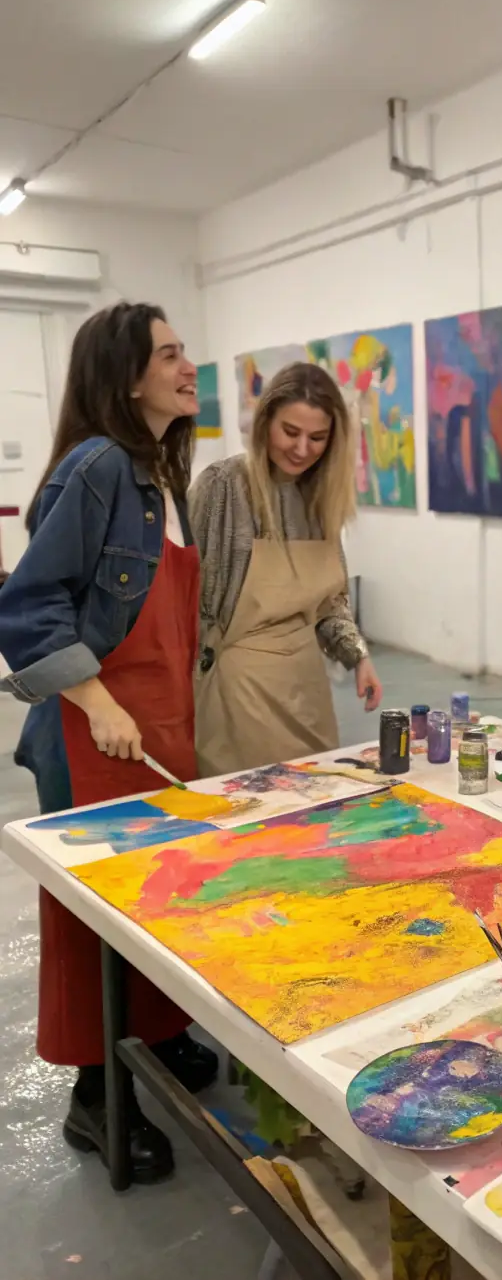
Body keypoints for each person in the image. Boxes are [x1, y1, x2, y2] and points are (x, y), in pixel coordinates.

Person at [0, 302, 218, 1183]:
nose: (186, 364)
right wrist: (95, 700)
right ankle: (96, 1098)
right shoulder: (97, 469)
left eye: (183, 349)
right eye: (168, 354)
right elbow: (25, 607)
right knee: (95, 914)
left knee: (161, 894)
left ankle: (155, 1037)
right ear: (126, 377)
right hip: (99, 730)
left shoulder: (161, 474)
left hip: (158, 724)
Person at [189, 362, 381, 778]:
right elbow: (186, 596)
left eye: (317, 438)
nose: (302, 449)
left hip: (305, 686)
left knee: (315, 803)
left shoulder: (320, 497)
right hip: (240, 688)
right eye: (290, 432)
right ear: (264, 423)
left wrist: (357, 657)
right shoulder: (224, 486)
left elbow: (329, 602)